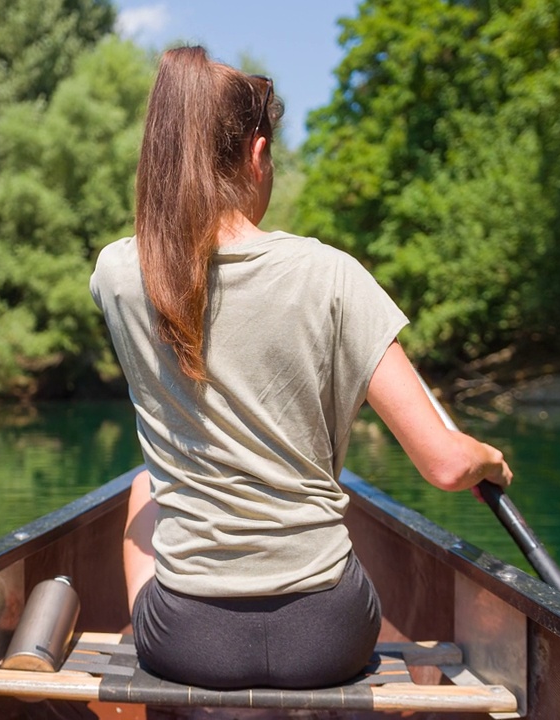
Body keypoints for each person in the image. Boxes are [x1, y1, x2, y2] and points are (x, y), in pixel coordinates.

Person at [89, 46, 512, 691]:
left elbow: (176, 253)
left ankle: (172, 700)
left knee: (143, 488)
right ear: (258, 155)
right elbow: (446, 464)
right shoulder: (333, 275)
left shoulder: (118, 274)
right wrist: (487, 456)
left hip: (186, 641)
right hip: (327, 638)